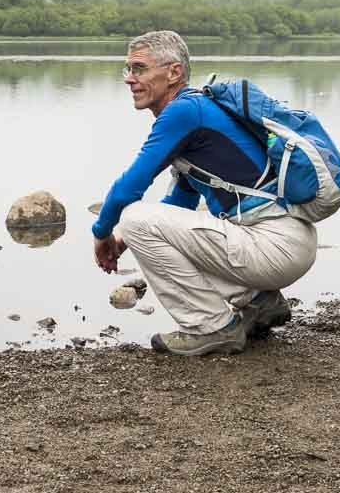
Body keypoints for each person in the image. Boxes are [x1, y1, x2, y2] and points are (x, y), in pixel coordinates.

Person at [92, 30, 318, 356]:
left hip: (274, 246)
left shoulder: (184, 112)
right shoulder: (195, 113)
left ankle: (212, 328)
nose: (129, 79)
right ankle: (259, 302)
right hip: (284, 242)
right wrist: (124, 243)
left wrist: (103, 234)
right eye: (127, 69)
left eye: (139, 68)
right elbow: (180, 203)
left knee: (133, 216)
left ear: (174, 72)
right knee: (149, 224)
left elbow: (129, 187)